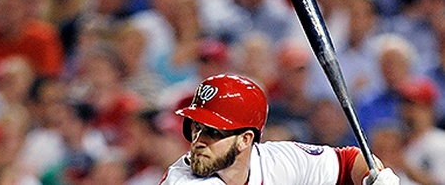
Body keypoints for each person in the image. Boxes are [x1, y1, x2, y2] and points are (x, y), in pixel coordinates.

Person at [160, 74, 400, 185]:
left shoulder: (278, 160)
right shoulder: (182, 180)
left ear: (245, 139)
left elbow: (347, 161)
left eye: (214, 132)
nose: (198, 141)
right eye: (197, 128)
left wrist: (374, 174)